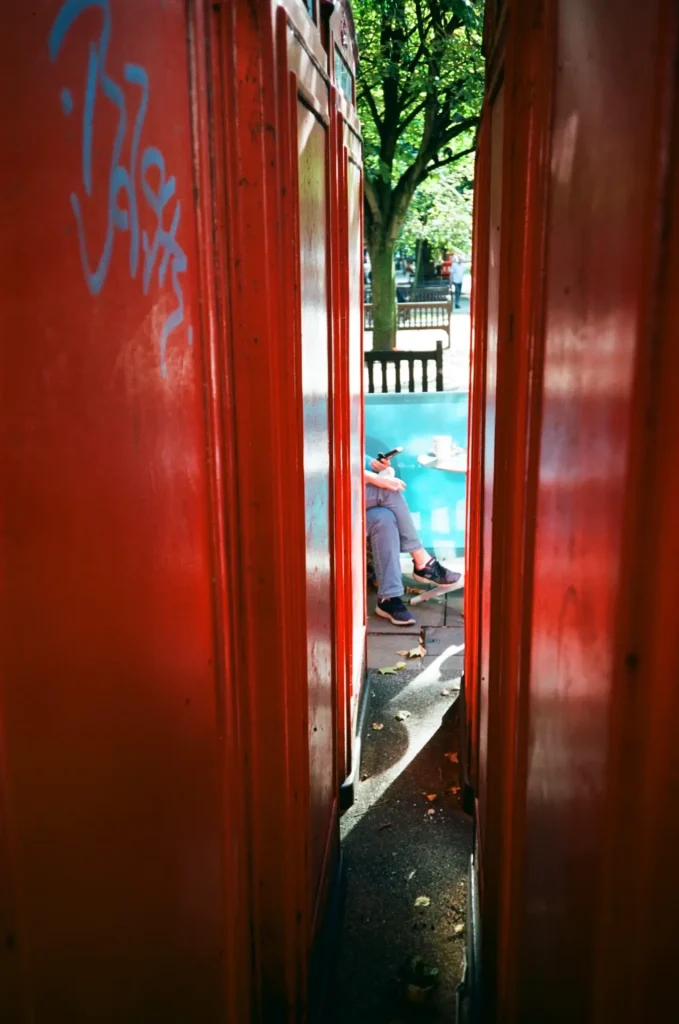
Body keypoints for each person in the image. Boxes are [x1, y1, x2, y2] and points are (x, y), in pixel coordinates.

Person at [365, 455, 462, 625]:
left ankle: (389, 598)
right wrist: (373, 478)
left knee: (384, 518)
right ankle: (423, 562)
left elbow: (356, 462)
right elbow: (331, 467)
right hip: (325, 501)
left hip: (353, 497)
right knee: (388, 491)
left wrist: (379, 468)